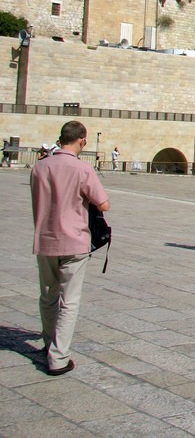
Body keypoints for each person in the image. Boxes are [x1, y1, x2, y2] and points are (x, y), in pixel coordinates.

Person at [31, 120, 110, 376]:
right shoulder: (82, 170)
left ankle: (47, 343)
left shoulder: (39, 168)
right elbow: (104, 204)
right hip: (74, 241)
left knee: (48, 297)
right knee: (69, 302)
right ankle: (58, 357)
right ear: (82, 140)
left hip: (44, 240)